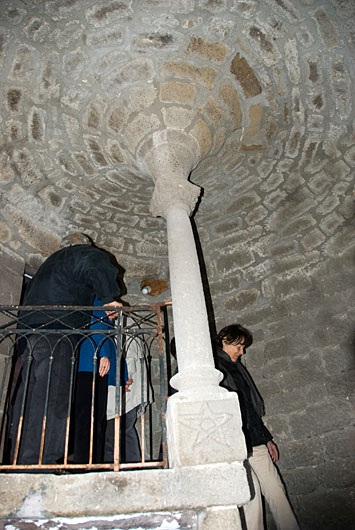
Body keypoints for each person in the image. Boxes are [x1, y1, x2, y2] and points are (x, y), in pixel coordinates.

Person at [10, 232, 122, 466]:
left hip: (30, 333)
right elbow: (95, 263)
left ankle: (21, 459)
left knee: (31, 397)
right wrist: (109, 298)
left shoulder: (49, 266)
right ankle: (44, 461)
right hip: (57, 331)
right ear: (84, 245)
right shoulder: (80, 254)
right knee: (55, 396)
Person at [215, 324, 300, 530]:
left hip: (254, 440)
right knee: (250, 497)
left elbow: (250, 407)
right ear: (225, 340)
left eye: (243, 347)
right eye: (239, 346)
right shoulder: (212, 367)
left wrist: (266, 438)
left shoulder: (237, 367)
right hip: (232, 441)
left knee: (276, 489)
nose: (241, 352)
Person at [104, 316, 153, 464]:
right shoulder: (122, 320)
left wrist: (125, 377)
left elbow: (130, 351)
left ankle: (127, 469)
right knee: (120, 431)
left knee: (118, 431)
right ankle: (130, 467)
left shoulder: (123, 320)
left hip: (127, 388)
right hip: (125, 388)